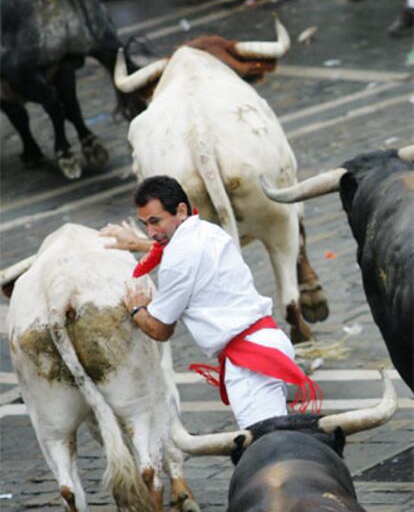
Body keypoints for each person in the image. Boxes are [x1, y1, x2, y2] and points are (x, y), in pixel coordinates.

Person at [100, 175, 321, 429]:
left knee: (269, 443)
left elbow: (161, 329)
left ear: (181, 210)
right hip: (268, 341)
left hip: (249, 362)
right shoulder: (209, 231)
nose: (151, 231)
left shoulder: (176, 261)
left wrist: (136, 308)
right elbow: (179, 250)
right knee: (277, 435)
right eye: (145, 224)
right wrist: (141, 243)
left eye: (155, 221)